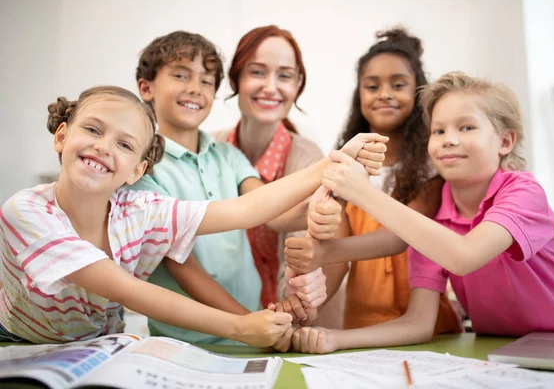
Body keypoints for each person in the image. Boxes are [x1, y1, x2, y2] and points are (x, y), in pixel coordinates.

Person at [0, 85, 387, 345]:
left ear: (137, 170)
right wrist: (240, 326)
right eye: (93, 130)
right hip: (23, 345)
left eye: (123, 143)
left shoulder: (139, 210)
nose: (103, 147)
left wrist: (335, 162)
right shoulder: (26, 211)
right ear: (62, 136)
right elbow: (127, 289)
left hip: (98, 346)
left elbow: (244, 209)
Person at [289, 72, 554, 353]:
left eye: (466, 127)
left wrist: (363, 192)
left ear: (505, 142)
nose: (448, 139)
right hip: (497, 350)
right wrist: (335, 338)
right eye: (438, 130)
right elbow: (417, 323)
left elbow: (464, 256)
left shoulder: (523, 193)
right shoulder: (435, 217)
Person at [129, 31, 335, 345]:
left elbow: (271, 211)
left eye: (206, 81)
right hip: (187, 339)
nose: (194, 89)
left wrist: (318, 209)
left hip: (250, 330)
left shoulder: (228, 154)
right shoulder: (142, 170)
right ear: (146, 87)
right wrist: (246, 322)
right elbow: (185, 270)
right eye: (181, 75)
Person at [286, 28, 461, 333]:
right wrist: (304, 309)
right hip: (362, 328)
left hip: (430, 331)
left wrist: (330, 250)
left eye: (398, 85)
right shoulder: (345, 165)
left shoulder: (432, 168)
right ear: (359, 95)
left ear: (418, 93)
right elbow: (336, 260)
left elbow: (400, 236)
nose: (385, 94)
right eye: (372, 85)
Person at [213, 25, 327, 315]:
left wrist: (281, 314)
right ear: (235, 77)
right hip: (224, 320)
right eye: (257, 72)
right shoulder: (213, 148)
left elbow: (300, 251)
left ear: (298, 84)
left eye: (285, 76)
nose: (270, 87)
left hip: (289, 318)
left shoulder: (308, 157)